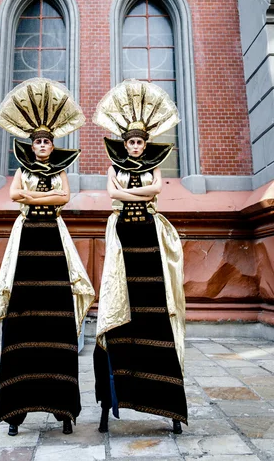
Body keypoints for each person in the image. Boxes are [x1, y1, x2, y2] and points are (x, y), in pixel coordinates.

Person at [0, 78, 95, 436]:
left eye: (47, 141)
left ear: (52, 145)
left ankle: (62, 407)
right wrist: (36, 199)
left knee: (56, 313)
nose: (43, 146)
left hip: (53, 241)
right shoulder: (22, 168)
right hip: (27, 241)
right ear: (31, 147)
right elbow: (15, 193)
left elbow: (63, 198)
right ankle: (17, 409)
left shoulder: (60, 169)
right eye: (38, 142)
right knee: (23, 313)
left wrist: (34, 200)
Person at [93, 79, 188, 434]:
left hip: (148, 238)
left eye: (140, 142)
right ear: (125, 143)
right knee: (123, 303)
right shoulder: (113, 167)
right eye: (131, 141)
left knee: (153, 305)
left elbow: (156, 189)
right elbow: (111, 193)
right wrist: (138, 195)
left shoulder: (152, 167)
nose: (135, 146)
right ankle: (115, 398)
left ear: (145, 144)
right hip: (123, 239)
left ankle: (166, 401)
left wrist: (130, 194)